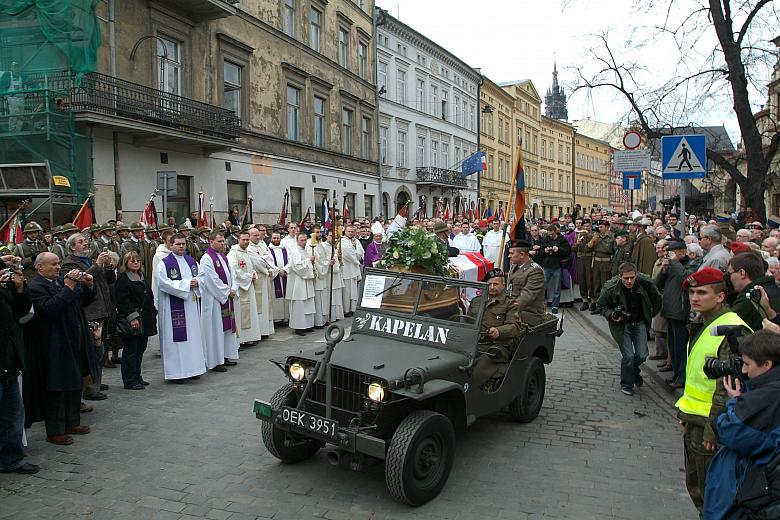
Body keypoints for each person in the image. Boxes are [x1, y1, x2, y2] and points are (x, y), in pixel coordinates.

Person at [675, 267, 751, 512]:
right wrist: (686, 414)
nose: (695, 298)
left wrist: (713, 429)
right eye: (692, 293)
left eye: (702, 293)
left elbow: (727, 387)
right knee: (697, 488)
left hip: (712, 426)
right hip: (696, 420)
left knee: (712, 495)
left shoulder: (731, 330)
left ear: (720, 297)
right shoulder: (705, 323)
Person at [703, 330, 780, 520]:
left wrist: (736, 402)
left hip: (743, 495)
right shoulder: (765, 389)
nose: (743, 371)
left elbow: (729, 429)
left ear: (767, 364)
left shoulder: (767, 396)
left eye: (747, 364)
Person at [28, 253, 98, 445]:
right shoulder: (35, 287)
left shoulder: (58, 282)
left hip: (73, 340)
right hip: (54, 344)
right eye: (53, 264)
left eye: (59, 263)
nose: (58, 267)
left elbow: (81, 301)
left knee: (74, 382)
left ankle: (72, 422)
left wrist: (89, 285)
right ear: (39, 267)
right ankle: (55, 430)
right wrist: (69, 287)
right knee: (57, 387)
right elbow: (50, 309)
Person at [62, 233, 116, 396]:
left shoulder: (89, 261)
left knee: (100, 348)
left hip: (103, 309)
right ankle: (90, 388)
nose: (85, 244)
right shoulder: (69, 264)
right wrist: (98, 264)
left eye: (86, 241)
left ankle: (96, 381)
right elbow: (84, 279)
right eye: (81, 242)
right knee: (91, 350)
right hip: (90, 311)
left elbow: (108, 280)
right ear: (72, 247)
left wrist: (107, 267)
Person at [597, 262, 662, 396]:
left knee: (642, 355)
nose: (629, 281)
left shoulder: (645, 284)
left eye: (632, 277)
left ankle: (633, 370)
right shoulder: (611, 288)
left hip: (639, 322)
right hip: (621, 325)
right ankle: (627, 383)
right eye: (626, 278)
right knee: (628, 356)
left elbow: (657, 299)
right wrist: (611, 315)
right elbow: (601, 306)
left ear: (636, 275)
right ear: (620, 277)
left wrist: (650, 315)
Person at [0, 259, 38, 474]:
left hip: (10, 360)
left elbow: (23, 310)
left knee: (13, 415)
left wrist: (19, 286)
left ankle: (12, 459)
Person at [156, 234, 206, 383]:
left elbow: (202, 277)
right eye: (178, 244)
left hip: (191, 305)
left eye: (183, 244)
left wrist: (197, 282)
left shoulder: (192, 262)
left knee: (193, 338)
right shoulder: (164, 264)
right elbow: (163, 283)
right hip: (174, 307)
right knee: (177, 341)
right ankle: (177, 373)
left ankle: (193, 369)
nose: (181, 247)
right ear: (171, 245)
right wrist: (186, 285)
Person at [467, 269, 522, 389]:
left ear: (504, 285)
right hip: (476, 343)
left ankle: (472, 391)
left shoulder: (511, 303)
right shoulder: (476, 301)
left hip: (497, 346)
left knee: (478, 369)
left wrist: (499, 331)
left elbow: (514, 327)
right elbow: (467, 321)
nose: (492, 287)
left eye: (496, 284)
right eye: (489, 284)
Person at [115, 252, 157, 390]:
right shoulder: (123, 278)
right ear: (126, 263)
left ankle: (137, 376)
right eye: (132, 261)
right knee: (130, 351)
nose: (136, 263)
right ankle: (129, 380)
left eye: (138, 260)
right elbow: (122, 300)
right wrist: (132, 317)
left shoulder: (141, 276)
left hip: (144, 318)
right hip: (133, 319)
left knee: (140, 349)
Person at [199, 231, 239, 371]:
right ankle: (215, 361)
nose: (223, 244)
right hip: (214, 300)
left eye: (223, 241)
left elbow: (232, 274)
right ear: (211, 242)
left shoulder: (223, 256)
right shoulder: (206, 258)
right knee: (215, 329)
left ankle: (225, 355)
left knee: (226, 329)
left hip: (225, 297)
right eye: (220, 241)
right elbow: (211, 279)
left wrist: (233, 287)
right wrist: (227, 291)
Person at [656, 240, 691, 389]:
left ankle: (681, 377)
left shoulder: (690, 265)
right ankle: (676, 374)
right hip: (670, 310)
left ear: (681, 252)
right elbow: (657, 284)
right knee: (673, 346)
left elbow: (687, 279)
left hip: (680, 311)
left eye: (671, 253)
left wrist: (675, 263)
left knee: (680, 347)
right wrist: (664, 270)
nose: (668, 256)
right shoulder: (672, 265)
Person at [727, 252, 780, 331]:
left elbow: (729, 324)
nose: (729, 278)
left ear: (742, 273)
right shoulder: (774, 288)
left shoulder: (750, 298)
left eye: (730, 274)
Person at [228, 231, 263, 346]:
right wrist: (248, 277)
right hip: (239, 288)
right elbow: (234, 270)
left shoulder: (246, 252)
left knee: (250, 311)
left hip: (248, 287)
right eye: (243, 239)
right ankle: (240, 340)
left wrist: (253, 274)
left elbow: (250, 267)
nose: (246, 242)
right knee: (240, 313)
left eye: (247, 239)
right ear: (238, 240)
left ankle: (249, 337)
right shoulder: (233, 253)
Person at [507, 240, 547, 327]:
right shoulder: (514, 266)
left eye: (512, 253)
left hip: (528, 315)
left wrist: (507, 309)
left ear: (522, 254)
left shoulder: (535, 271)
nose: (509, 256)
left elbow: (527, 296)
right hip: (514, 310)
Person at [247, 226, 275, 337]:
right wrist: (268, 269)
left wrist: (269, 268)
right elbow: (258, 263)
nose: (258, 237)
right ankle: (260, 330)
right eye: (255, 235)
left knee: (266, 303)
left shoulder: (261, 246)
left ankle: (266, 329)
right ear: (249, 236)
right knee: (259, 305)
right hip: (258, 278)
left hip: (265, 278)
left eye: (258, 235)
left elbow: (270, 259)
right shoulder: (249, 248)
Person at [286, 233, 316, 336]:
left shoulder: (304, 251)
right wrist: (309, 260)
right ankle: (299, 327)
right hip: (298, 282)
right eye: (301, 240)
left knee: (307, 304)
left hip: (305, 281)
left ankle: (307, 325)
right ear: (297, 241)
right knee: (299, 304)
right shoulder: (295, 251)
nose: (304, 242)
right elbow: (297, 267)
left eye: (305, 240)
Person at [314, 229, 345, 326]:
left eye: (334, 236)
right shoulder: (322, 246)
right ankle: (329, 316)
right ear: (326, 236)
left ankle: (335, 315)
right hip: (327, 274)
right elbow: (322, 260)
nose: (333, 238)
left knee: (336, 295)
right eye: (330, 235)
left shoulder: (334, 246)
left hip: (335, 272)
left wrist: (338, 258)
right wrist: (329, 262)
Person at [539, 223, 571, 314]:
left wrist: (559, 249)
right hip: (547, 265)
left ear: (555, 232)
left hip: (557, 266)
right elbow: (540, 253)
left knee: (557, 288)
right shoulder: (545, 239)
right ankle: (540, 304)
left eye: (552, 234)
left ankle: (555, 305)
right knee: (543, 286)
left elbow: (568, 251)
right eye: (549, 234)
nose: (551, 236)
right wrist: (545, 251)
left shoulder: (562, 239)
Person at [587, 220, 615, 313]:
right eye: (599, 227)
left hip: (606, 263)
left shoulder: (612, 237)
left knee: (605, 284)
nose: (600, 229)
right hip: (596, 262)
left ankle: (605, 305)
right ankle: (596, 303)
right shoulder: (596, 237)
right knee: (596, 283)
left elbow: (615, 250)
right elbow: (589, 247)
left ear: (607, 227)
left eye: (602, 227)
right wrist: (593, 240)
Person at [340, 225, 364, 316]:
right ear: (345, 232)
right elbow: (347, 255)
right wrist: (356, 258)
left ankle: (353, 309)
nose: (351, 233)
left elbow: (361, 252)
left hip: (354, 268)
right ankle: (346, 310)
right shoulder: (342, 241)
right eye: (348, 231)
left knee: (353, 291)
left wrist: (354, 247)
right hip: (346, 269)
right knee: (346, 291)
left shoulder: (356, 241)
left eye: (352, 231)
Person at [268, 231, 290, 325]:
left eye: (278, 238)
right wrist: (278, 271)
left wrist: (285, 270)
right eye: (274, 238)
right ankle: (276, 319)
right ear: (271, 239)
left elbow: (290, 260)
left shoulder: (285, 249)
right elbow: (268, 263)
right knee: (275, 298)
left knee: (285, 297)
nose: (276, 240)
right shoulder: (268, 250)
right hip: (275, 277)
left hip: (284, 276)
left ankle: (285, 318)